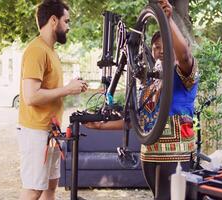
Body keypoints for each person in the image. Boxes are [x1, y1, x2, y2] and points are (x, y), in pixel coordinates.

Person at [84, 0, 198, 199]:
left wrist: (168, 21)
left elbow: (186, 56)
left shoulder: (183, 74)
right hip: (150, 157)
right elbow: (136, 121)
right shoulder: (149, 82)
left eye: (165, 46)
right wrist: (101, 126)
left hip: (175, 157)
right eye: (156, 47)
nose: (160, 50)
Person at [17, 0, 88, 199]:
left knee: (50, 187)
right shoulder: (36, 50)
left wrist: (72, 87)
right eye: (66, 21)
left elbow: (51, 91)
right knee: (34, 189)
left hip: (51, 131)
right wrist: (66, 89)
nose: (69, 26)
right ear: (54, 20)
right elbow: (31, 96)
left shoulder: (51, 51)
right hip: (36, 132)